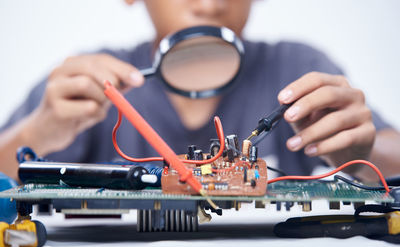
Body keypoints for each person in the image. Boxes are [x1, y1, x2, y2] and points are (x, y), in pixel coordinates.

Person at [1, 0, 400, 185]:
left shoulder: (297, 69)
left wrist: (362, 158)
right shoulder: (87, 82)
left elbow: (390, 154)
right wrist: (37, 133)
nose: (210, 3)